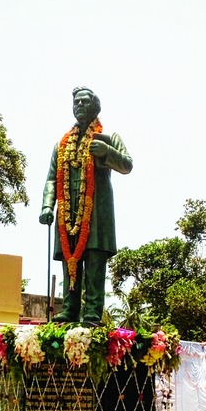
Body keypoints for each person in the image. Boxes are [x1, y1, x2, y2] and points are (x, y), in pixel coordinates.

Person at [39, 87, 133, 325]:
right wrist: (47, 206)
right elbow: (51, 178)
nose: (79, 106)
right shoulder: (62, 144)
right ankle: (69, 310)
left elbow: (127, 164)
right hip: (68, 214)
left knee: (93, 262)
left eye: (84, 102)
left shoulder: (107, 137)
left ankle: (92, 312)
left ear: (95, 107)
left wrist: (107, 152)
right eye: (76, 103)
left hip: (96, 214)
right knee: (70, 262)